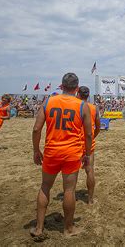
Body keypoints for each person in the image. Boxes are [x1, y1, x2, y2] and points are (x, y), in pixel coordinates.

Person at [30, 73, 92, 240]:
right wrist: (87, 154)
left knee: (45, 187)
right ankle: (68, 229)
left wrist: (36, 151)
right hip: (72, 153)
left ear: (61, 86)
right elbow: (88, 134)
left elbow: (36, 129)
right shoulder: (82, 106)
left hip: (51, 152)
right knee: (69, 190)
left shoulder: (49, 101)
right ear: (77, 88)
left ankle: (38, 228)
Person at [77, 86, 100, 204]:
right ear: (88, 95)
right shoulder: (93, 108)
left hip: (74, 142)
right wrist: (91, 139)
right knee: (90, 170)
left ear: (78, 94)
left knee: (71, 173)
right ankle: (90, 200)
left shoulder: (75, 106)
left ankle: (68, 195)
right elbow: (98, 127)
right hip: (88, 143)